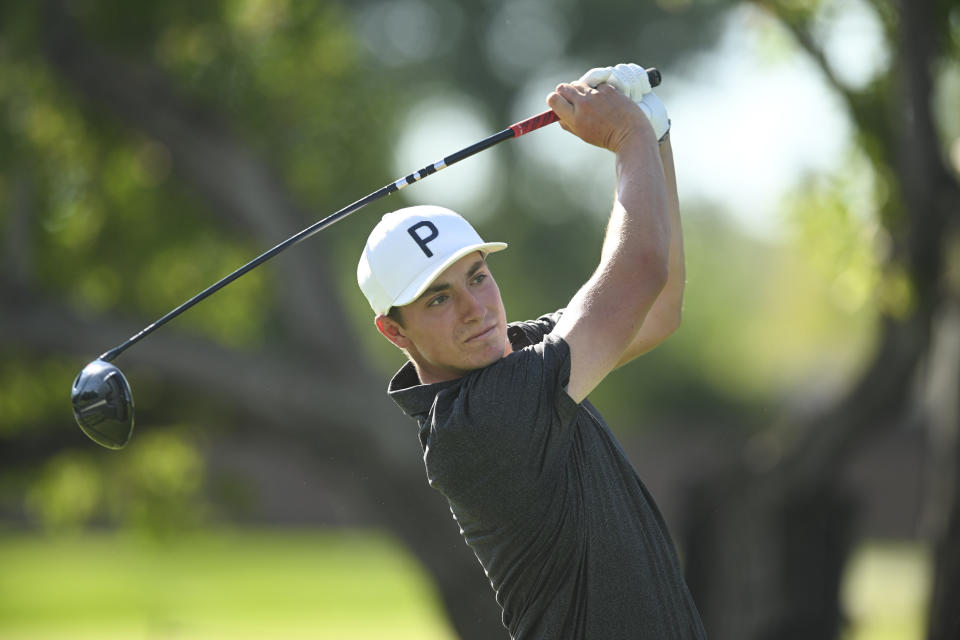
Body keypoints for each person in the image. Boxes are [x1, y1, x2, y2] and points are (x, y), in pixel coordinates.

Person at [357, 63, 705, 639]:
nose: (476, 308)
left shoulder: (516, 357)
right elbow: (639, 271)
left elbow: (658, 307)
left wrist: (654, 134)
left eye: (477, 275)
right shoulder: (479, 424)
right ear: (396, 333)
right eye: (438, 299)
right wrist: (627, 138)